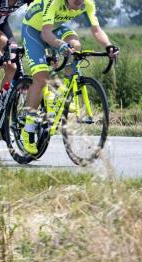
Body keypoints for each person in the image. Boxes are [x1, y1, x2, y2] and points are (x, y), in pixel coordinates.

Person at [19, 0, 118, 154]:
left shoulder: (87, 3)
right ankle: (28, 127)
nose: (79, 1)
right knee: (41, 77)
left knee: (75, 46)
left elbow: (96, 30)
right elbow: (45, 33)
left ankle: (63, 94)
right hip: (33, 30)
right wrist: (60, 45)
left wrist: (108, 46)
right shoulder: (54, 2)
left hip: (55, 28)